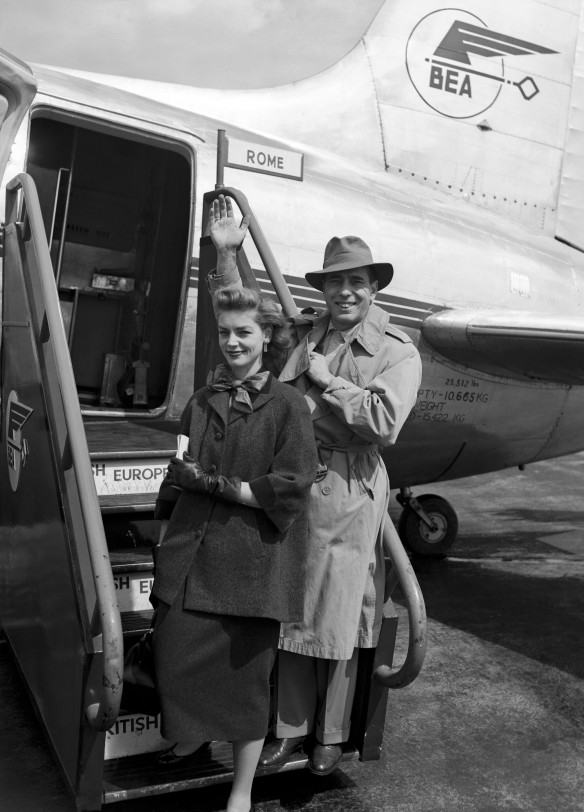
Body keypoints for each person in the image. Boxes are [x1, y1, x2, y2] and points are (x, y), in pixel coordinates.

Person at [207, 195, 422, 776]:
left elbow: (383, 423)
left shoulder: (397, 351)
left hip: (352, 487)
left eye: (356, 282)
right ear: (324, 290)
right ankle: (290, 731)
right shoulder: (306, 332)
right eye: (335, 283)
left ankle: (328, 736)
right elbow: (243, 320)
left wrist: (328, 382)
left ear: (373, 287)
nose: (345, 292)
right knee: (292, 609)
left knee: (340, 615)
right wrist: (230, 253)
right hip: (300, 479)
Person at [150, 285, 317, 812]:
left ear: (267, 336)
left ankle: (240, 795)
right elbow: (178, 479)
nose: (232, 342)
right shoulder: (202, 400)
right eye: (224, 333)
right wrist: (165, 530)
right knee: (174, 657)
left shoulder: (289, 405)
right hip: (191, 555)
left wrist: (216, 485)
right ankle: (193, 734)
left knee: (246, 687)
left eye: (244, 332)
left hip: (253, 565)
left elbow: (290, 486)